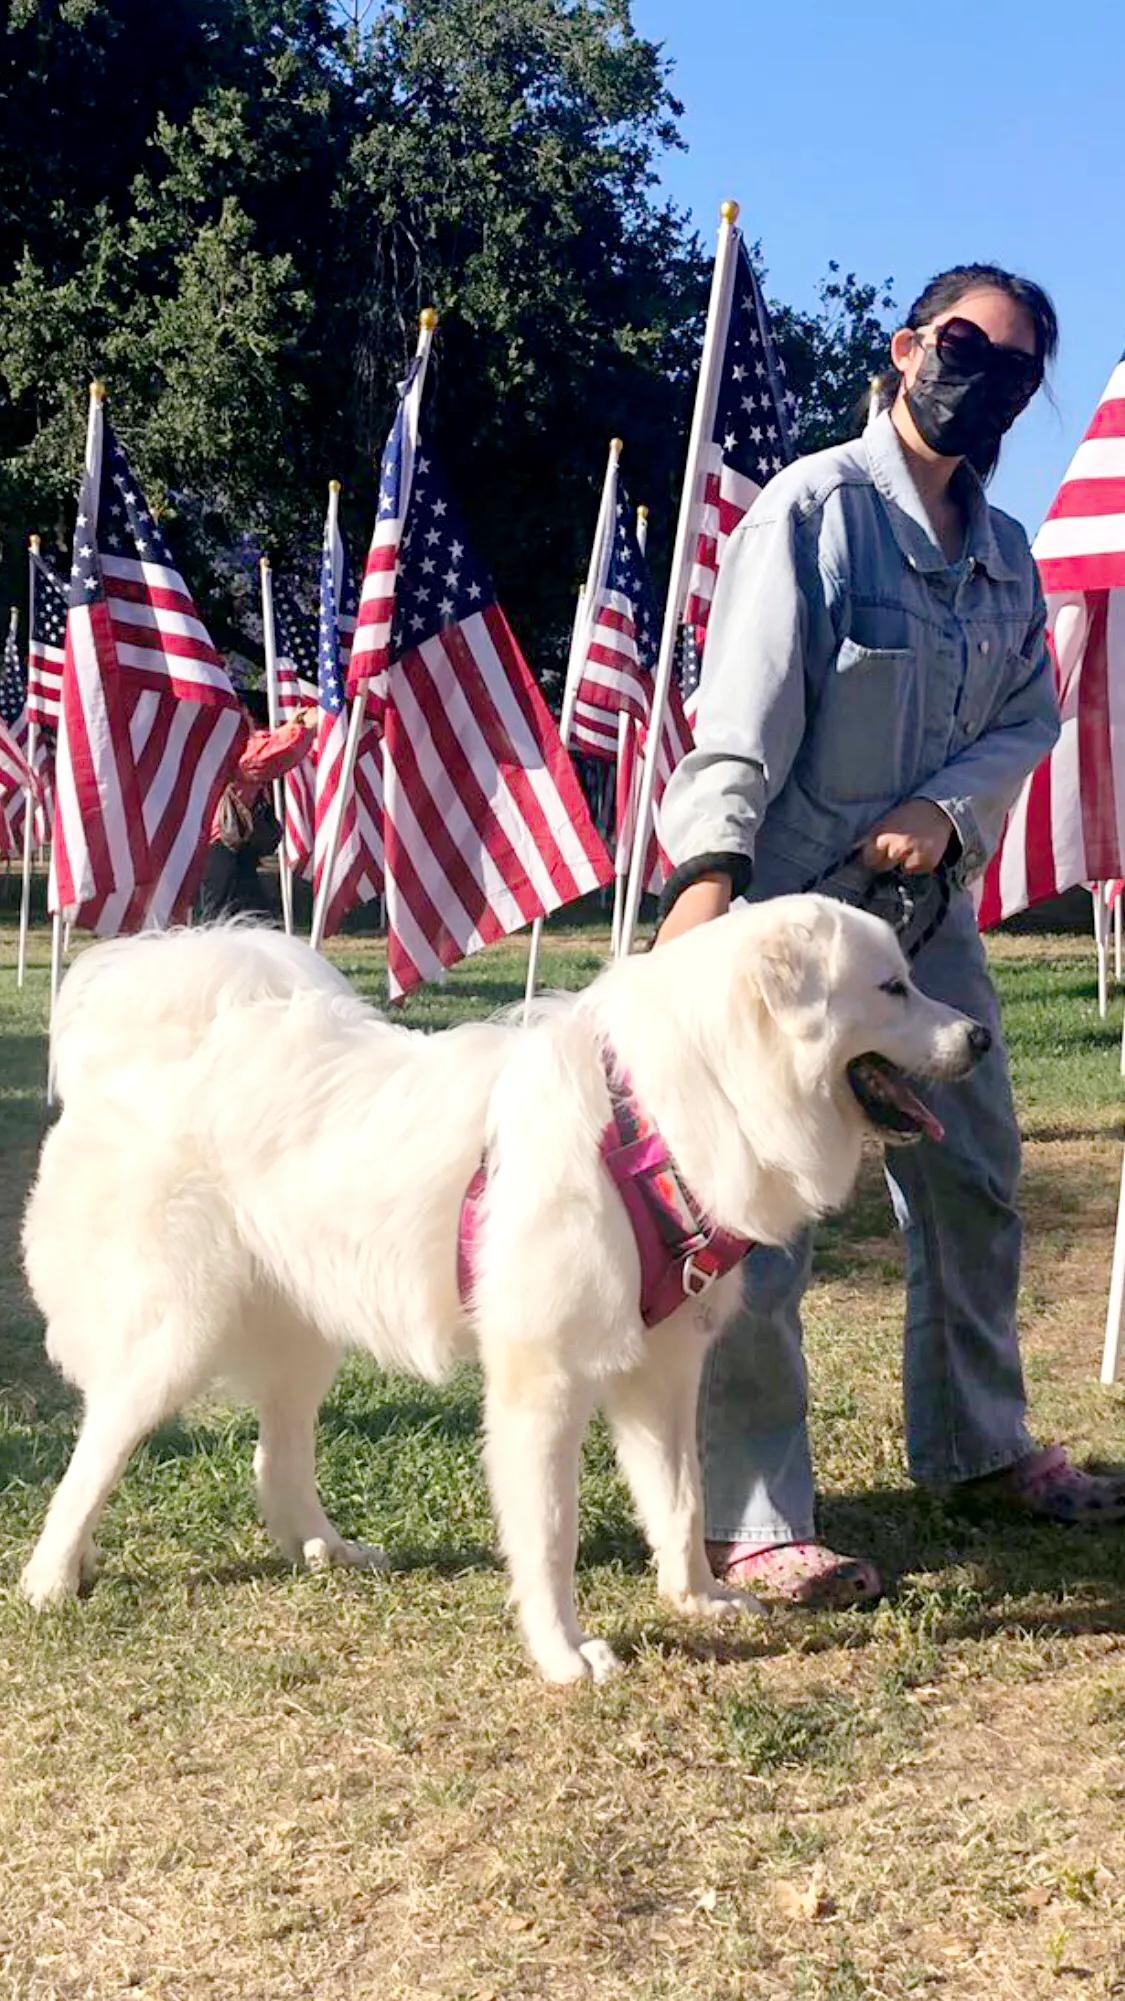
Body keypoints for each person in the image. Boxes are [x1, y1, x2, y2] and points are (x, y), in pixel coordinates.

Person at [658, 262, 1125, 1609]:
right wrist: (706, 885)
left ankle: (976, 1448)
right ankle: (752, 1518)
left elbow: (1028, 716)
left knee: (975, 1177)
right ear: (908, 344)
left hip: (924, 934)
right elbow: (738, 718)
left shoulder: (1009, 555)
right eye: (971, 346)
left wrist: (944, 807)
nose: (992, 379)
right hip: (786, 926)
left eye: (1021, 369)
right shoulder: (813, 509)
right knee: (761, 1219)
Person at [199, 694, 315, 922]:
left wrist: (294, 727)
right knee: (221, 919)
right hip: (222, 845)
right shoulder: (232, 748)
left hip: (234, 846)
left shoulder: (224, 743)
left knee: (252, 917)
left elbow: (267, 747)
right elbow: (264, 756)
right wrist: (303, 728)